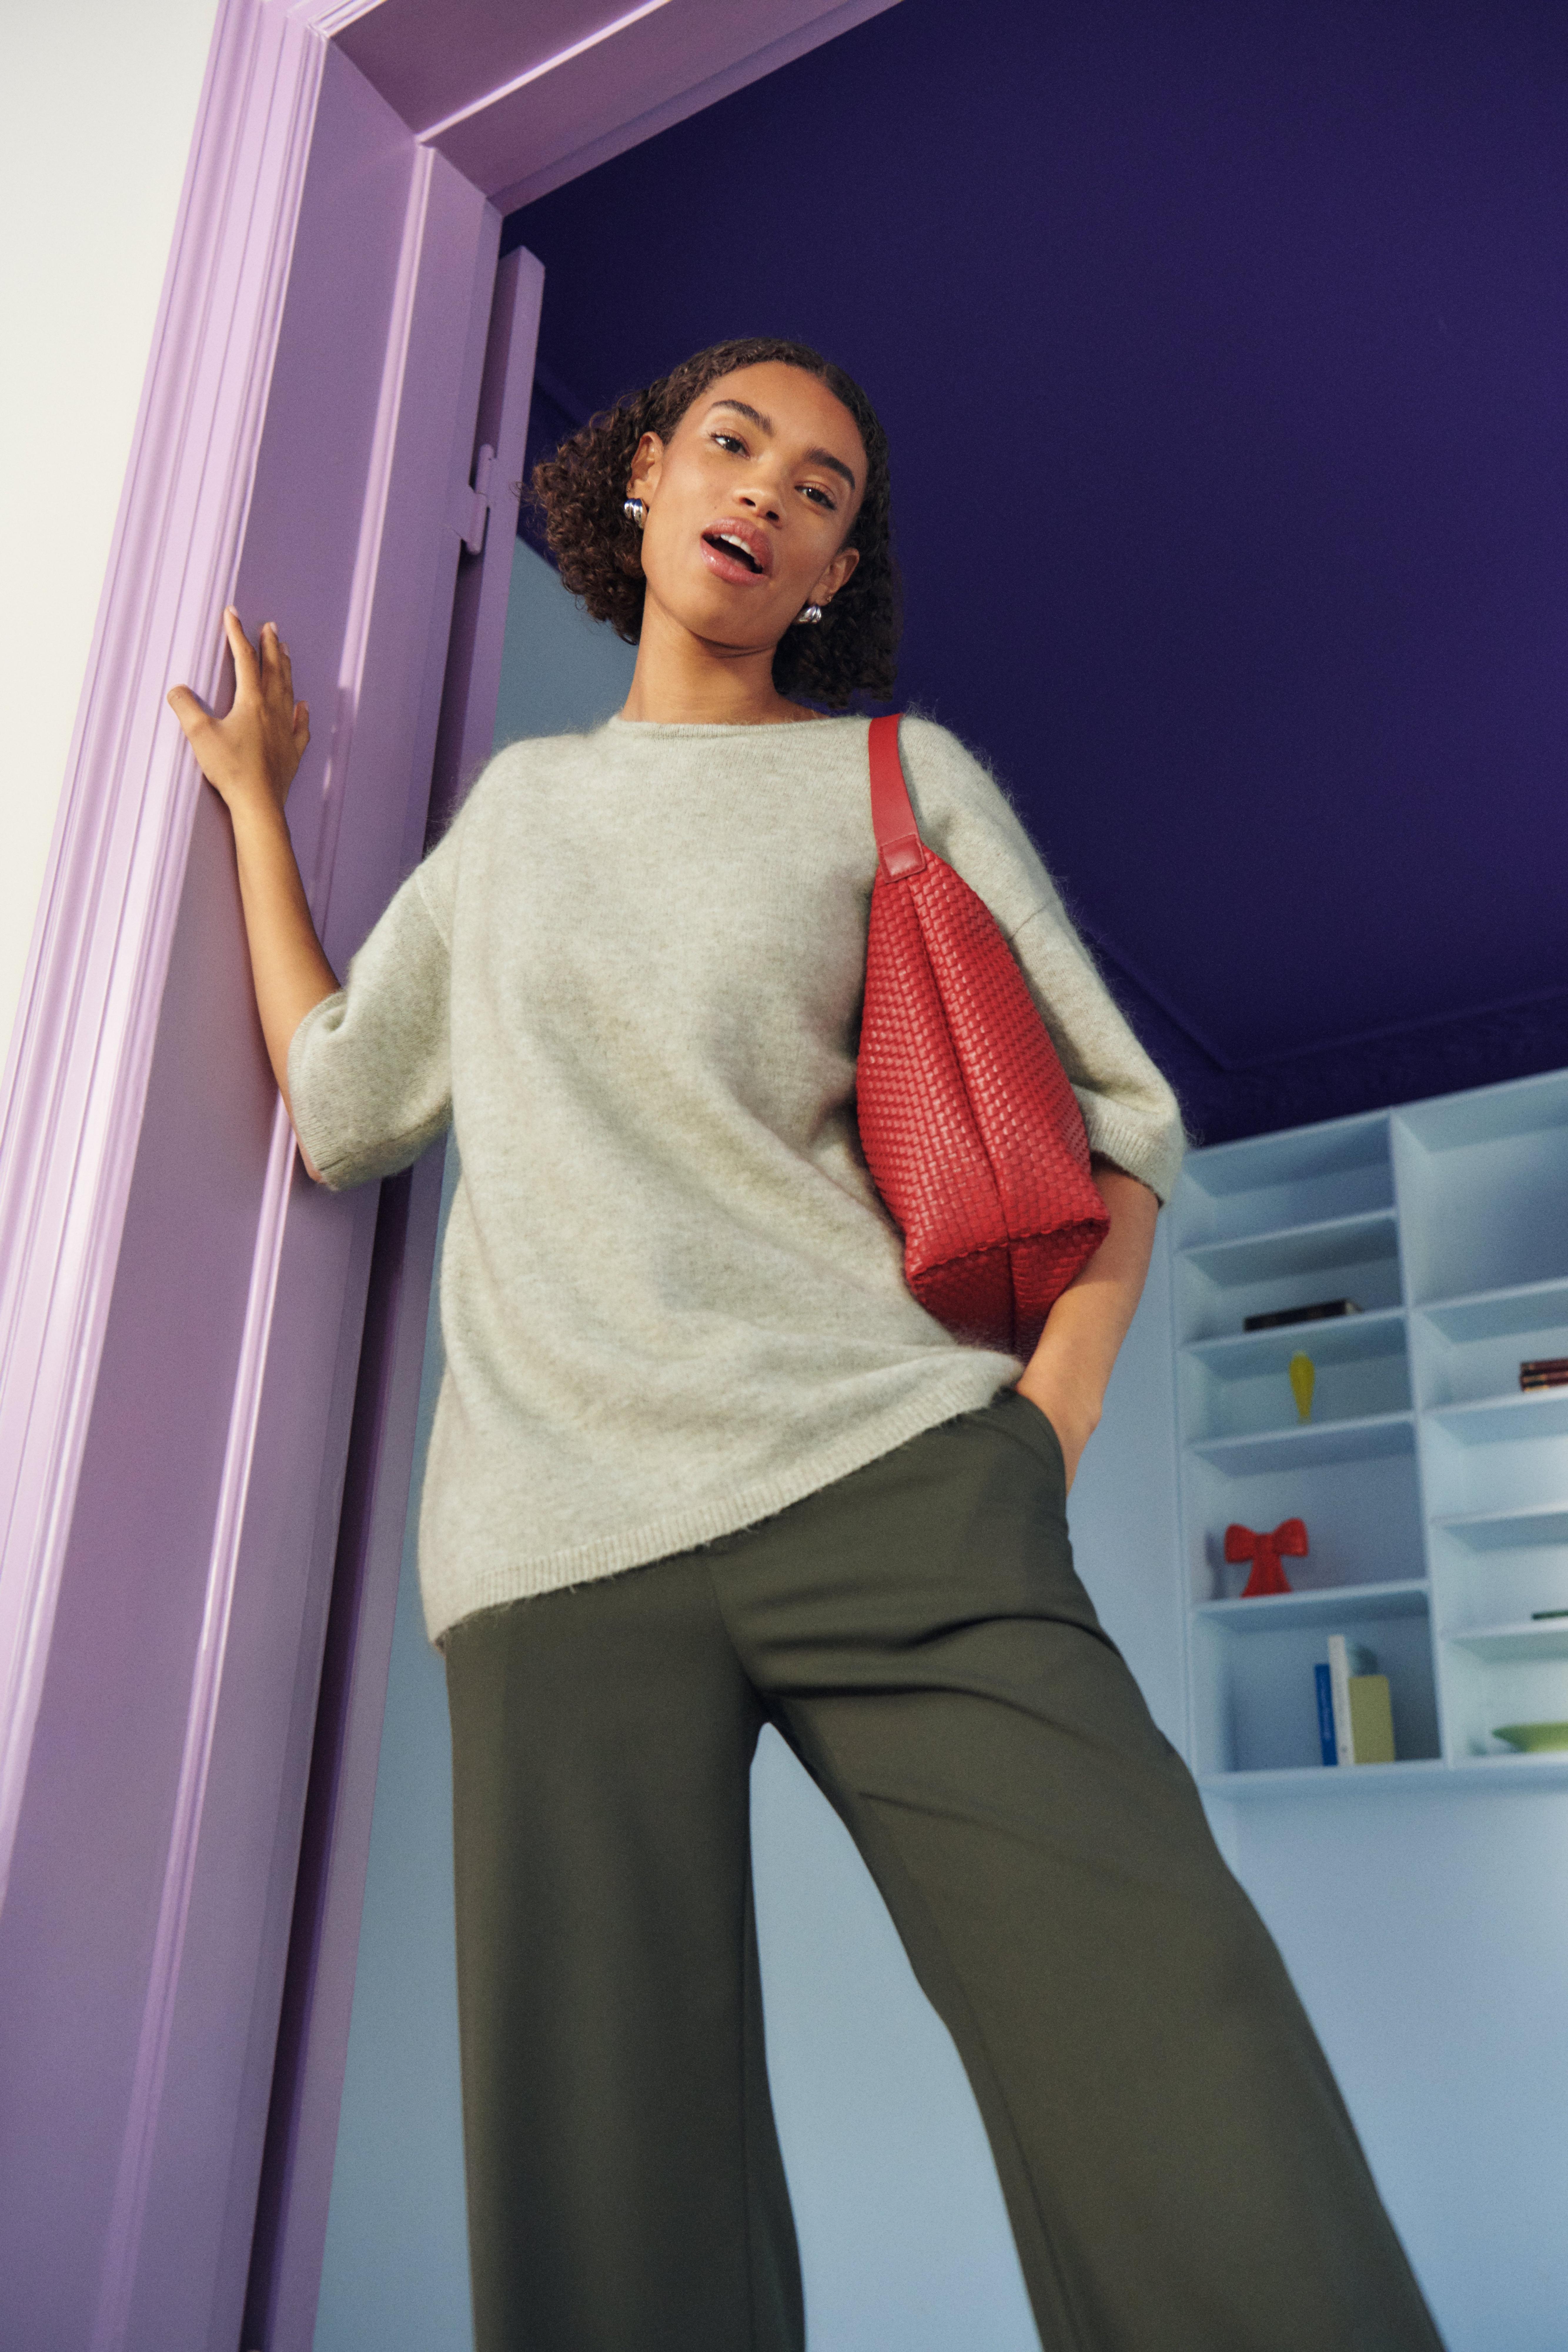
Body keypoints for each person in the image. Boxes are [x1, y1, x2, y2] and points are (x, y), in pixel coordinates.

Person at [169, 337, 1442, 2352]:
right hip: (553, 1552)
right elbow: (341, 1106)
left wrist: (1043, 1432)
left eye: (821, 489)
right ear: (647, 480)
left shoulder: (895, 780)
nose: (767, 491)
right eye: (734, 447)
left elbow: (1122, 1121)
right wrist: (258, 803)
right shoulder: (518, 819)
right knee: (608, 2215)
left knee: (1179, 2055)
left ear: (833, 571)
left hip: (898, 1496)